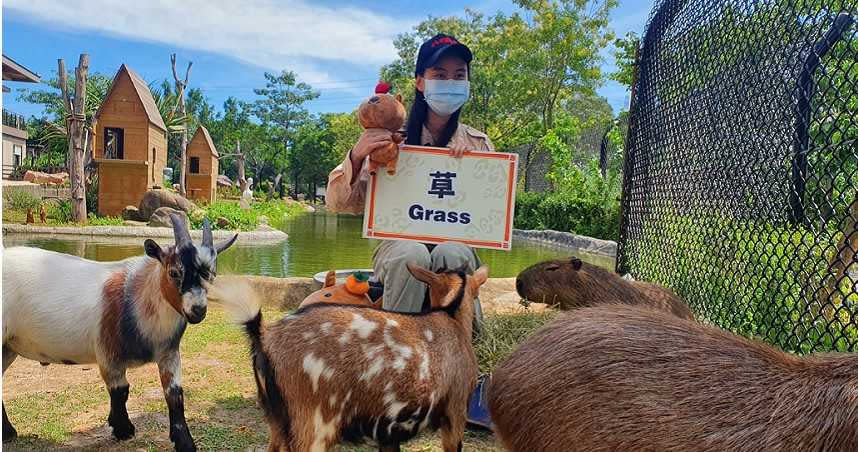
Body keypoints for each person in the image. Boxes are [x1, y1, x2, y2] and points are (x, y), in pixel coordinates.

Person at [326, 33, 493, 330]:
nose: (450, 83)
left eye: (459, 76)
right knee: (410, 252)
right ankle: (395, 349)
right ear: (420, 82)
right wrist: (357, 156)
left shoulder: (477, 144)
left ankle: (466, 346)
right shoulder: (387, 139)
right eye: (439, 75)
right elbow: (338, 204)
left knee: (451, 251)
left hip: (456, 244)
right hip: (397, 247)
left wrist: (473, 172)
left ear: (467, 83)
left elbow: (491, 217)